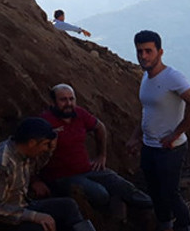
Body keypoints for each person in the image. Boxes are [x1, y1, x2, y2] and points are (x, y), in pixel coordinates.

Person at [127, 30, 190, 231]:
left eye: (148, 51)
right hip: (150, 147)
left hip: (171, 148)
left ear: (160, 52)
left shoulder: (172, 77)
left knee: (170, 193)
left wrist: (176, 133)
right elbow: (147, 112)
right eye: (140, 51)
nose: (143, 56)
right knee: (155, 192)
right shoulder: (145, 77)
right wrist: (136, 137)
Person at [39, 84, 152, 219]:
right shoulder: (45, 122)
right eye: (63, 100)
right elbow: (30, 152)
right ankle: (116, 204)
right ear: (53, 102)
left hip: (87, 168)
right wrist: (35, 180)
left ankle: (154, 207)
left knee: (120, 183)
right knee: (100, 194)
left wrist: (101, 155)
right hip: (63, 177)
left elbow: (100, 127)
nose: (68, 103)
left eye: (71, 99)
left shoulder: (79, 114)